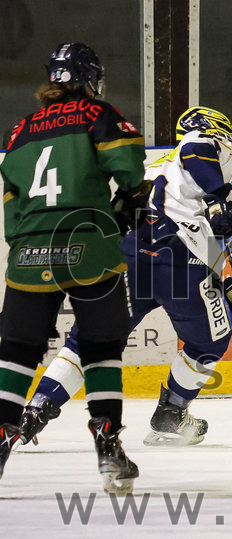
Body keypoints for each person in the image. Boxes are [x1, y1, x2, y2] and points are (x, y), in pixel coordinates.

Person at [17, 106, 232, 448]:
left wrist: (230, 289)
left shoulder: (155, 169)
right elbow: (196, 151)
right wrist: (221, 198)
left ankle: (36, 408)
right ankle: (171, 415)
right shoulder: (203, 144)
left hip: (125, 252)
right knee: (210, 341)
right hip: (174, 256)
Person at [0, 43, 149, 492]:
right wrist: (129, 203)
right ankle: (108, 448)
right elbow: (128, 165)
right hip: (88, 244)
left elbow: (11, 201)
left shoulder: (21, 129)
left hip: (28, 251)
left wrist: (27, 241)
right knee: (102, 347)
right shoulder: (95, 113)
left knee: (17, 352)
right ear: (88, 79)